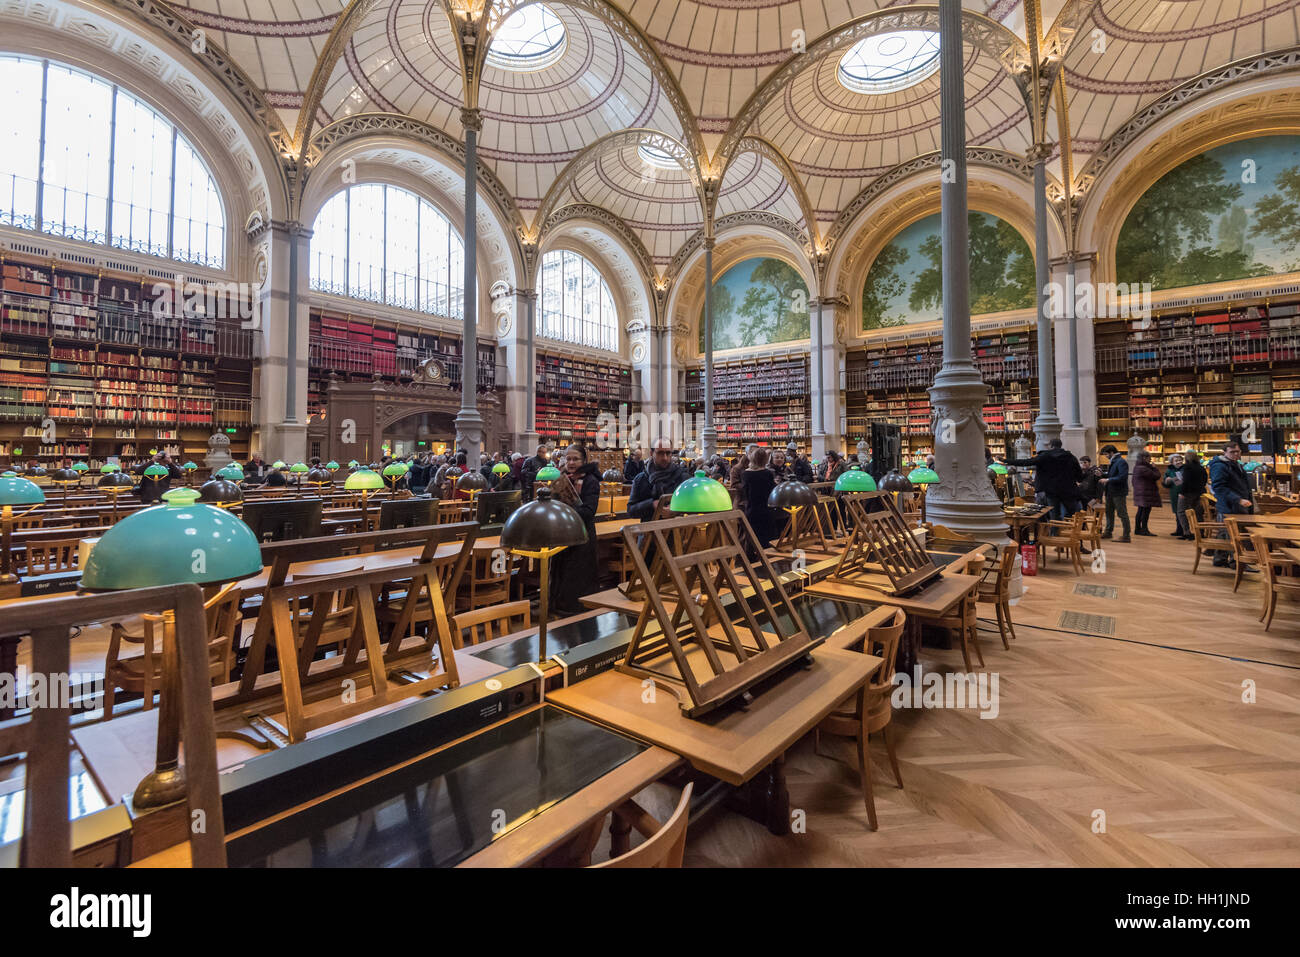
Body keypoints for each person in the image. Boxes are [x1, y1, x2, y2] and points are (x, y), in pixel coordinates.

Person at [548, 444, 601, 616]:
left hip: (582, 537)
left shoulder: (591, 481)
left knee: (578, 577)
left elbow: (588, 511)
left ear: (584, 460)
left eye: (575, 459)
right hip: (563, 535)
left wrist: (564, 510)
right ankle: (559, 607)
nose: (571, 462)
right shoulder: (563, 479)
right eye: (568, 458)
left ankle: (577, 611)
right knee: (561, 574)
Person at [1007, 438, 1082, 519]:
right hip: (1068, 490)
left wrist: (1006, 461)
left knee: (1054, 515)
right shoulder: (1071, 457)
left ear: (1050, 446)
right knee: (1072, 513)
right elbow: (1079, 476)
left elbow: (1027, 462)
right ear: (1061, 445)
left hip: (1051, 490)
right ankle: (1073, 529)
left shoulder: (1045, 456)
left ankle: (1055, 530)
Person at [1209, 441, 1254, 569]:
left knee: (1225, 532)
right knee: (1235, 535)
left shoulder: (1235, 464)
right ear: (1225, 452)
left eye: (1238, 452)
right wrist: (1238, 500)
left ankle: (1220, 558)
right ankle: (1237, 562)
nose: (1235, 454)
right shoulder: (1220, 466)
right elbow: (1219, 487)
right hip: (1229, 505)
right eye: (1232, 452)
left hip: (1236, 504)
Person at [628, 438, 690, 521]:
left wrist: (676, 511)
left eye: (668, 453)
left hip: (676, 531)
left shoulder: (682, 477)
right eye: (660, 453)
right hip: (650, 531)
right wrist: (651, 504)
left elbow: (693, 503)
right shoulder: (641, 479)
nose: (665, 458)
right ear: (651, 453)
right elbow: (631, 510)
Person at [742, 446, 778, 548]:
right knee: (768, 538)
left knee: (753, 537)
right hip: (767, 509)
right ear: (766, 459)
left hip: (752, 509)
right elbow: (772, 490)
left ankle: (753, 560)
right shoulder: (768, 473)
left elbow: (745, 492)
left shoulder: (745, 474)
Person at [1098, 445, 1130, 542]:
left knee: (1122, 513)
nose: (1106, 456)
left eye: (1106, 454)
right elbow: (1113, 474)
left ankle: (1126, 536)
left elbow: (1122, 477)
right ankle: (1108, 532)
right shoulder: (1115, 461)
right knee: (1109, 512)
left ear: (1112, 452)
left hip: (1118, 492)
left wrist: (1107, 479)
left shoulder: (1121, 461)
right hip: (1110, 492)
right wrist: (1102, 474)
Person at [1177, 450, 1208, 540]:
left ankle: (1187, 532)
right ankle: (1200, 532)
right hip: (1199, 492)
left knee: (1182, 512)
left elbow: (1186, 481)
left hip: (1188, 493)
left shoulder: (1187, 467)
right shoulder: (1201, 467)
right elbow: (1205, 480)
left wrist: (1182, 492)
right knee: (1198, 513)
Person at [1131, 450, 1162, 536]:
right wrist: (1154, 467)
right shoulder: (1143, 468)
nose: (1150, 460)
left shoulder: (1137, 467)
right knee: (1145, 511)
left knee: (1141, 511)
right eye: (1149, 458)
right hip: (1145, 493)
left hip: (1141, 492)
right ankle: (1144, 530)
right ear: (1144, 458)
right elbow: (1156, 476)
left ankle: (1138, 529)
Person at [1163, 453, 1185, 537]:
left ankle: (1184, 530)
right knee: (1177, 512)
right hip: (1174, 493)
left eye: (1180, 460)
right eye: (1176, 460)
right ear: (1172, 462)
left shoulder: (1185, 469)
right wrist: (1167, 481)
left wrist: (1172, 479)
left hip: (1183, 493)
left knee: (1182, 512)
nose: (1179, 461)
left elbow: (1182, 480)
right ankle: (1179, 530)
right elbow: (1165, 482)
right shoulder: (1169, 470)